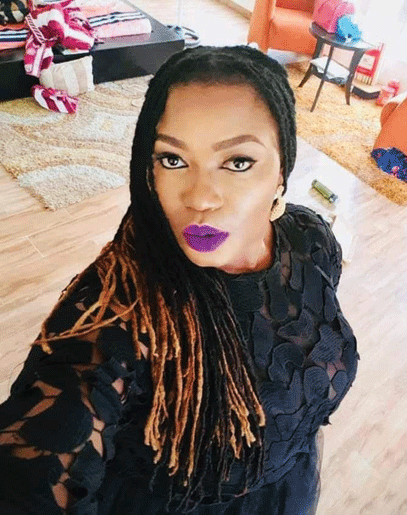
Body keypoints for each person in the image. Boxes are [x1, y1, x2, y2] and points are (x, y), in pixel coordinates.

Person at [0, 45, 359, 515]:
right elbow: (35, 466)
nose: (200, 198)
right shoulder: (117, 313)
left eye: (237, 162)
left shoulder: (310, 239)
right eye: (172, 159)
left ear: (282, 171)